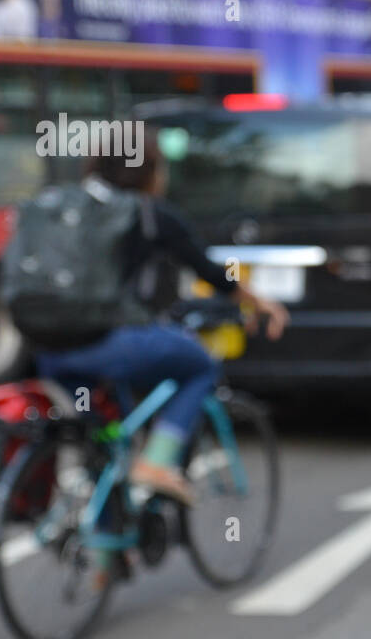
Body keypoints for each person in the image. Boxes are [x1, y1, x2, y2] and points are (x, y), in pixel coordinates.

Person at [34, 134, 289, 505]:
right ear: (148, 172)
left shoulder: (62, 205)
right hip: (108, 344)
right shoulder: (149, 213)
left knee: (106, 444)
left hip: (49, 350)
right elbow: (209, 272)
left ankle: (106, 555)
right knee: (200, 364)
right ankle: (155, 463)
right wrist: (259, 303)